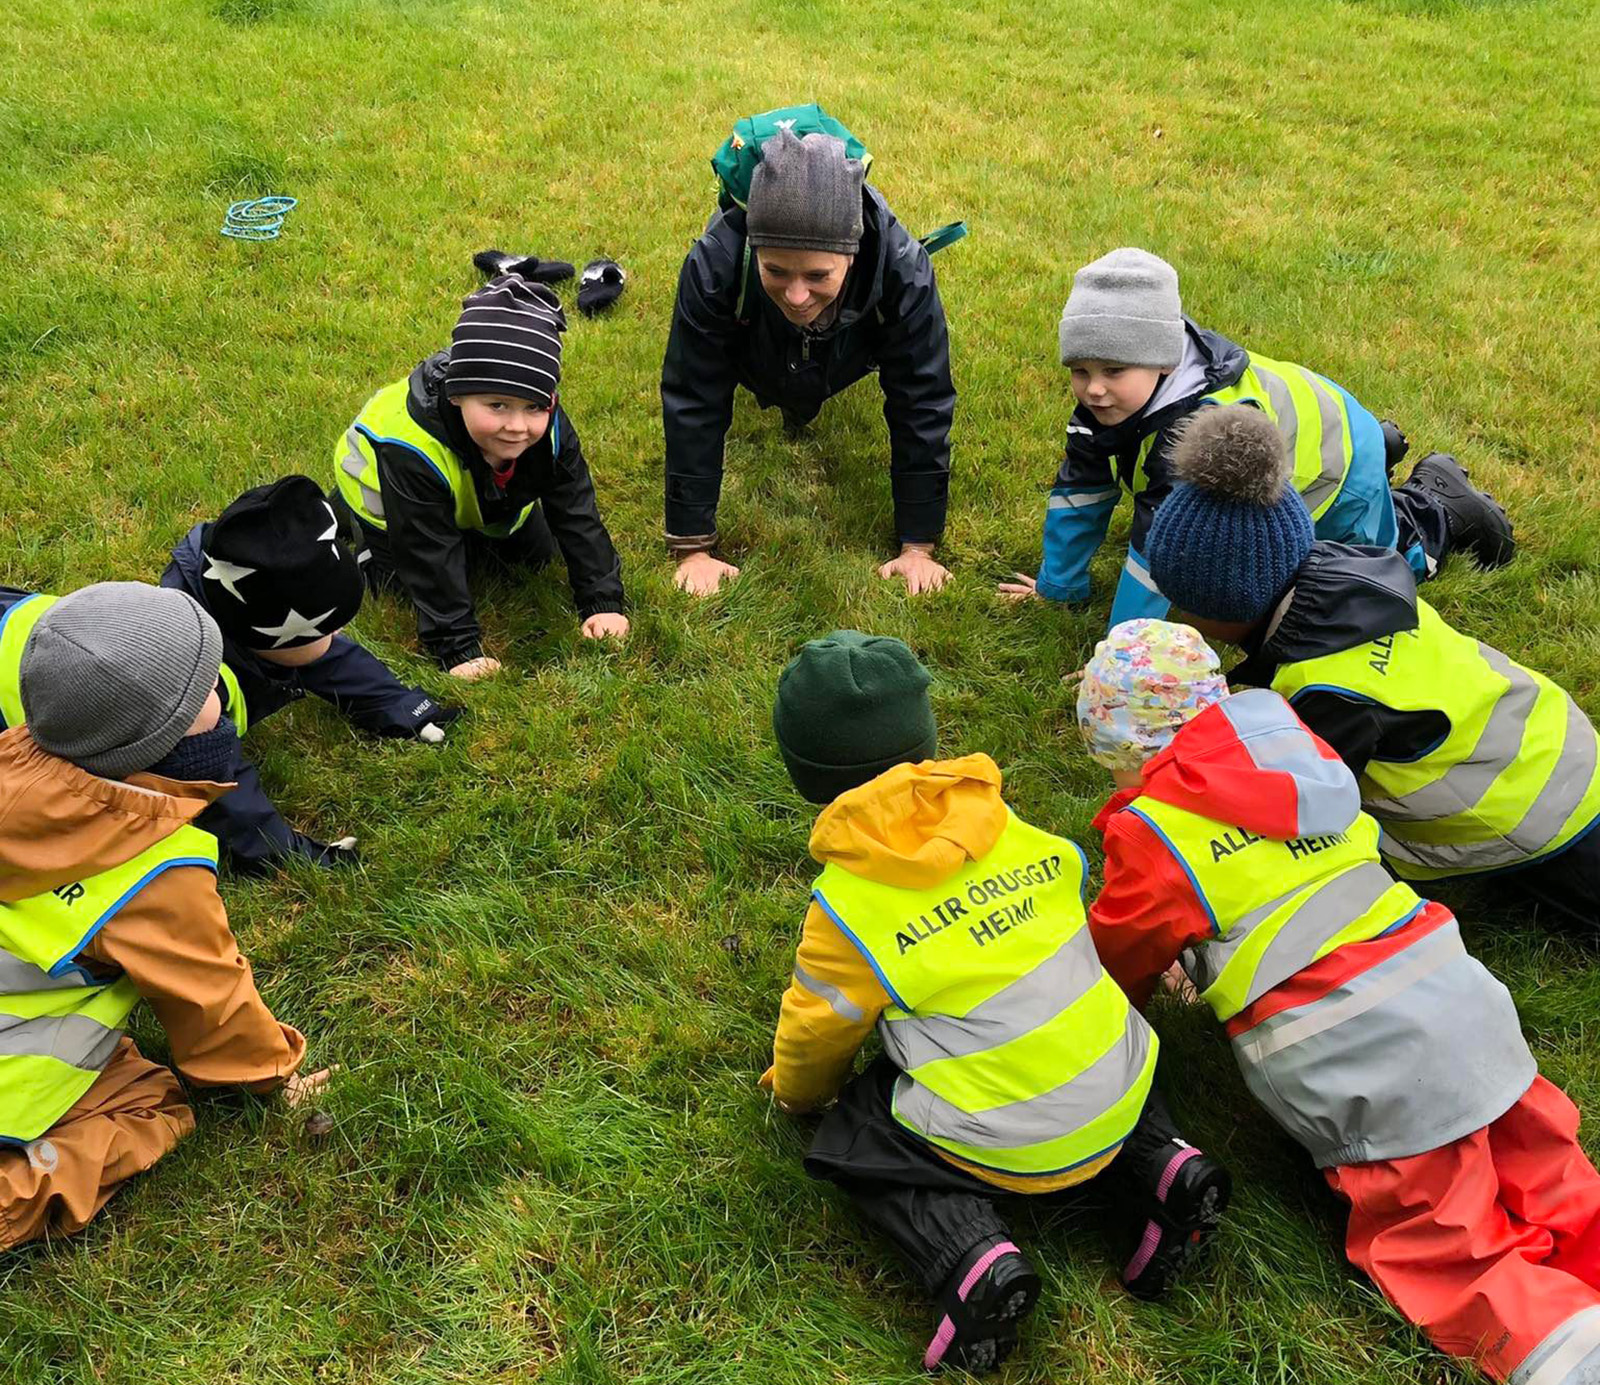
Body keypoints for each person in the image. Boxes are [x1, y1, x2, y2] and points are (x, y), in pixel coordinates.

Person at [1079, 617, 1600, 1385]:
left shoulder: (1154, 831)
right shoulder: (1300, 753)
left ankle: (1566, 1352)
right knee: (1547, 1163)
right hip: (1458, 993)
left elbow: (1119, 956)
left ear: (1126, 752)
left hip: (1365, 1057)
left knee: (1443, 1235)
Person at [764, 630, 1229, 1373]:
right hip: (1122, 1068)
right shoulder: (1008, 825)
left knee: (857, 1131)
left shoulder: (848, 909)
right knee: (1082, 1055)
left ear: (808, 775)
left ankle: (969, 1257)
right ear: (925, 737)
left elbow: (819, 1029)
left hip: (1006, 1132)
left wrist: (798, 1095)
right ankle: (1162, 1161)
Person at [1140, 405, 1598, 927]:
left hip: (1537, 811)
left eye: (1182, 603)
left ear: (1229, 604)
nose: (1175, 613)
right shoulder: (1348, 578)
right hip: (1552, 736)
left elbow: (1304, 819)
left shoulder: (1323, 694)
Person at [0, 583, 328, 1250]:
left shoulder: (14, 757)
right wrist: (272, 1075)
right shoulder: (154, 867)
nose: (223, 692)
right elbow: (212, 1008)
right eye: (204, 688)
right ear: (156, 742)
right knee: (151, 1102)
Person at [999, 248, 1513, 627]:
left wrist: (1124, 654)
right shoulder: (1105, 402)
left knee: (1360, 584)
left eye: (1113, 369)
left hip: (1335, 467)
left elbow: (1156, 549)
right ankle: (1389, 453)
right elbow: (1080, 494)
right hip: (1310, 431)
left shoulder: (1193, 432)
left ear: (1163, 360)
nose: (1094, 389)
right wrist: (1059, 586)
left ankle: (1435, 509)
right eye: (1079, 370)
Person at [662, 129, 956, 597]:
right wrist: (693, 547)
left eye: (818, 275)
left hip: (848, 348)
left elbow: (923, 398)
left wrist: (918, 547)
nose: (797, 296)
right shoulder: (713, 267)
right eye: (775, 271)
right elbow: (693, 397)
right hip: (754, 350)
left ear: (853, 254)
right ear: (754, 248)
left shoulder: (904, 270)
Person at [333, 266, 627, 680]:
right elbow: (427, 550)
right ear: (457, 395)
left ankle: (475, 522)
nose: (518, 426)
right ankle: (364, 546)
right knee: (407, 581)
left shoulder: (552, 428)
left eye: (534, 407)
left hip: (479, 495)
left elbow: (576, 510)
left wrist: (603, 603)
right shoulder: (410, 446)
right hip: (393, 508)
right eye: (497, 405)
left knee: (537, 555)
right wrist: (459, 650)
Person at [159, 474, 462, 872]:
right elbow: (219, 784)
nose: (336, 635)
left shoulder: (248, 602)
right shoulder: (188, 684)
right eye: (322, 628)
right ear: (268, 638)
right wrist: (286, 856)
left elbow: (331, 658)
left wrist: (406, 708)